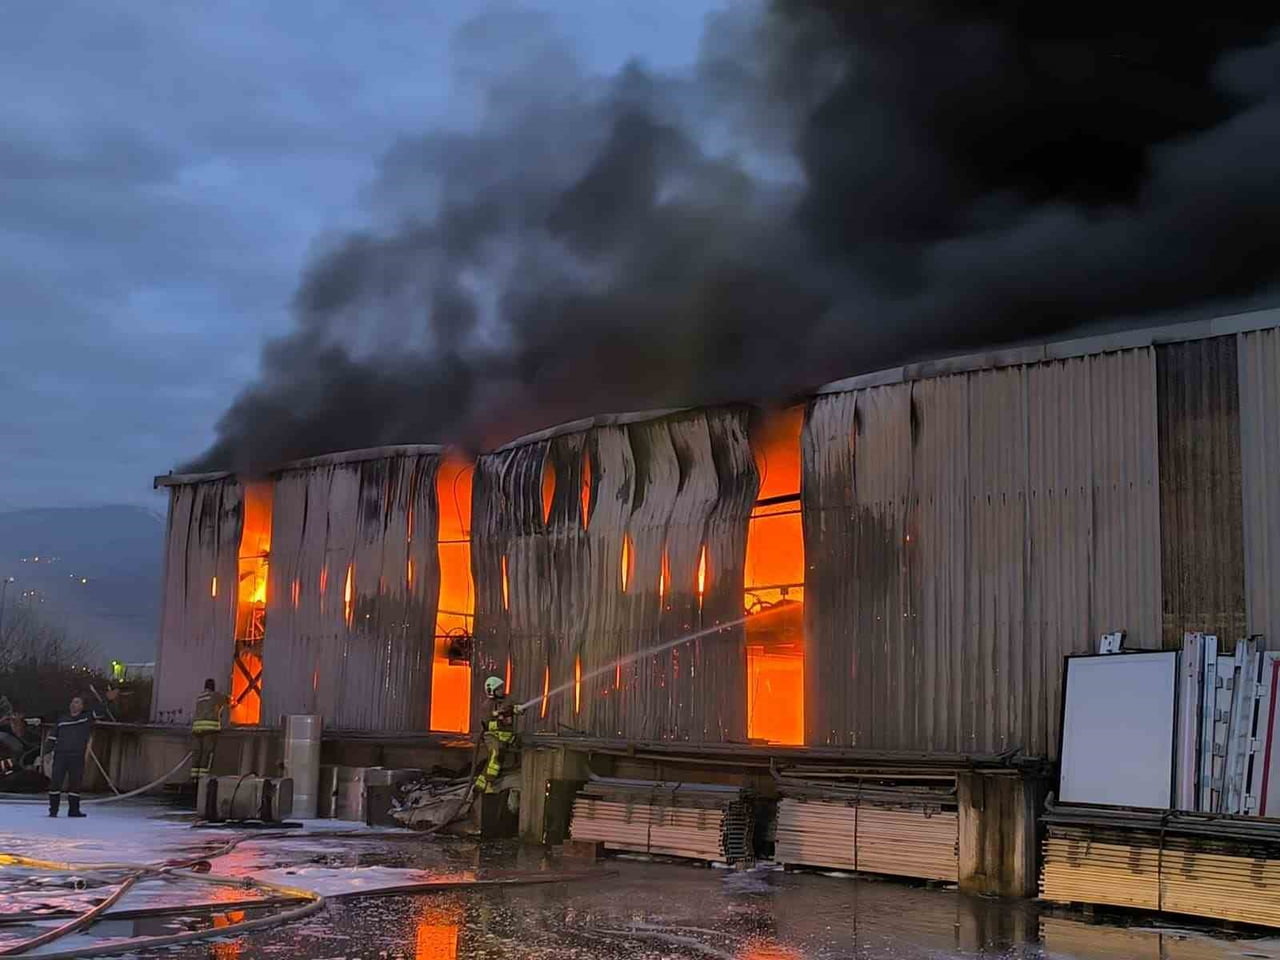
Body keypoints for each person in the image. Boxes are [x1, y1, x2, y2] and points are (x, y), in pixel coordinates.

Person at [474, 675, 524, 794]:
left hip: (506, 738)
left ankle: (486, 783)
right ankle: (485, 785)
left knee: (500, 759)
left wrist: (518, 709)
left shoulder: (507, 700)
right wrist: (499, 717)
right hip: (492, 737)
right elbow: (488, 726)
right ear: (492, 691)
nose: (502, 690)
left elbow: (513, 708)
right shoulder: (487, 706)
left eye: (501, 688)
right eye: (499, 689)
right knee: (494, 759)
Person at [47, 696, 94, 817]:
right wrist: (47, 753)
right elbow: (52, 737)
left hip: (77, 756)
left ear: (82, 706)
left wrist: (108, 700)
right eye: (72, 702)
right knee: (55, 782)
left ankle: (73, 810)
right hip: (61, 755)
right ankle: (53, 810)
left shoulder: (86, 718)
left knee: (75, 783)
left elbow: (99, 712)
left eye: (77, 702)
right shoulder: (62, 720)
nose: (74, 704)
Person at [190, 678, 228, 780]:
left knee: (197, 753)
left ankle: (194, 777)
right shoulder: (215, 695)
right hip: (209, 729)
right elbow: (227, 700)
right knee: (207, 753)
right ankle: (203, 779)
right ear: (213, 687)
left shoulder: (200, 696)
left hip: (196, 729)